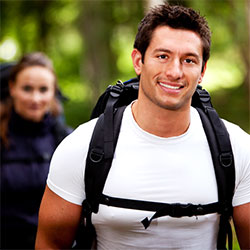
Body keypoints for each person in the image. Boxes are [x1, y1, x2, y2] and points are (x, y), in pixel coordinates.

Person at [35, 4, 250, 250]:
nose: (175, 71)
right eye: (162, 56)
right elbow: (50, 244)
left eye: (189, 60)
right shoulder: (81, 147)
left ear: (202, 71)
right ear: (138, 61)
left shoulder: (238, 148)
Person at [0, 52, 73, 249]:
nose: (35, 98)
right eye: (27, 89)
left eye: (43, 90)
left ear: (53, 92)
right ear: (12, 88)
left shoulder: (68, 141)